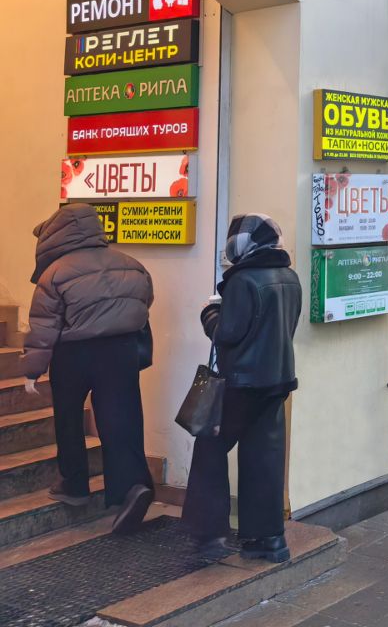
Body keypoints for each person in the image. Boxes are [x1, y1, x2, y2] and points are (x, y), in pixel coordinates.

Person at [23, 204, 154, 534]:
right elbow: (143, 304)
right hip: (122, 351)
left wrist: (32, 369)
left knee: (68, 416)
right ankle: (131, 488)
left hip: (74, 353)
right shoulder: (132, 265)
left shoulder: (56, 272)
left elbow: (44, 326)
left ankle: (74, 485)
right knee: (121, 420)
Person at [182, 214, 301, 563]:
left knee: (209, 449)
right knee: (263, 457)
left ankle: (209, 537)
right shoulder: (289, 277)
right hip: (277, 380)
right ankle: (269, 540)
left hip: (240, 384)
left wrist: (209, 313)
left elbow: (228, 334)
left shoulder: (242, 280)